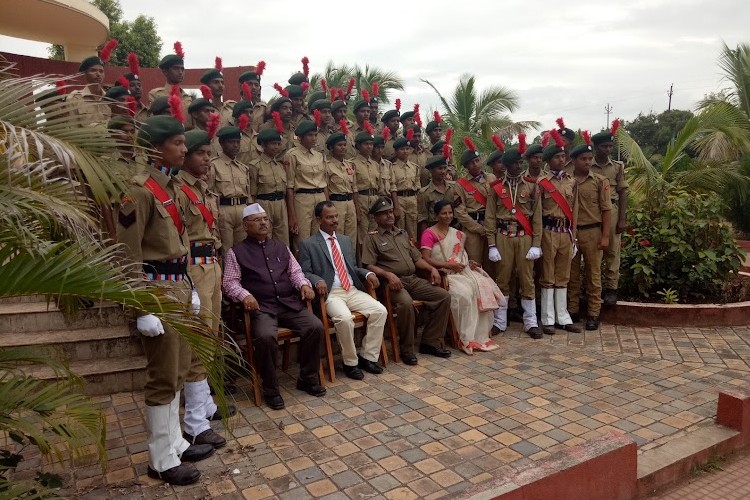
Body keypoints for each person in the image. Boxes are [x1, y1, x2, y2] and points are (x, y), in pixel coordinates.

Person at [117, 115, 214, 486]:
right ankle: (160, 458)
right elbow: (127, 254)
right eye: (177, 143)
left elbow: (178, 246)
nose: (184, 149)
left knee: (177, 370)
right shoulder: (138, 191)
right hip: (155, 291)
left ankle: (175, 441)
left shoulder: (170, 187)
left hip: (177, 284)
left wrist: (188, 288)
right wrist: (139, 307)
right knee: (162, 377)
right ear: (156, 148)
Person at [222, 203, 326, 410]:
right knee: (266, 337)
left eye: (265, 219)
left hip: (288, 303)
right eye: (257, 220)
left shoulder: (280, 246)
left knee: (315, 327)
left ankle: (307, 377)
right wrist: (245, 295)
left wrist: (304, 285)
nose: (263, 223)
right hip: (261, 307)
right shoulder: (236, 252)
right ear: (245, 226)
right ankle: (270, 388)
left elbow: (295, 272)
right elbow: (229, 283)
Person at [176, 129, 235, 449]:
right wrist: (188, 282)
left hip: (211, 265)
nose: (207, 159)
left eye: (208, 154)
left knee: (210, 337)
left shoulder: (202, 189)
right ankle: (195, 423)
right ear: (185, 157)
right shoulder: (180, 191)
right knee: (198, 341)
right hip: (193, 269)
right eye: (200, 154)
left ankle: (205, 405)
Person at [299, 202, 387, 380]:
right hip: (331, 293)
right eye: (329, 217)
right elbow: (305, 271)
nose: (334, 221)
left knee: (380, 311)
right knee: (345, 319)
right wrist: (317, 280)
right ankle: (350, 363)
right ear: (319, 220)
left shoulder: (345, 240)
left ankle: (367, 357)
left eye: (336, 216)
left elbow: (353, 267)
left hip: (352, 289)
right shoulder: (308, 244)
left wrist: (368, 273)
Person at [361, 197, 452, 365]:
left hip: (412, 279)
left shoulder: (402, 234)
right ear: (375, 218)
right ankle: (407, 349)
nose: (389, 216)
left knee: (443, 296)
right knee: (406, 304)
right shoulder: (372, 238)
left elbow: (417, 260)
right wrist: (388, 275)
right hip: (392, 284)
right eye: (383, 214)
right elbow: (368, 265)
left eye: (390, 212)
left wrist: (431, 269)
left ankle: (430, 342)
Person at [420, 200, 502, 355]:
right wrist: (448, 266)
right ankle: (463, 336)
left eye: (450, 213)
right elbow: (426, 259)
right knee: (464, 294)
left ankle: (479, 335)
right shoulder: (429, 233)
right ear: (437, 215)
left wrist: (467, 263)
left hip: (461, 273)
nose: (448, 216)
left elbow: (459, 256)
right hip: (444, 276)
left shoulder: (457, 233)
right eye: (444, 213)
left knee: (481, 286)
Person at [485, 139, 543, 339]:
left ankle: (531, 322)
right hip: (503, 237)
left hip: (524, 236)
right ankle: (500, 322)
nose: (519, 166)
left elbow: (537, 217)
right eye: (515, 163)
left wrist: (536, 243)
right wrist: (491, 245)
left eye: (520, 163)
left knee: (527, 279)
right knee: (502, 278)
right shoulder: (495, 188)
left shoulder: (532, 186)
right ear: (507, 165)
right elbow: (490, 218)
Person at [537, 130, 581, 335]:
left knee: (563, 275)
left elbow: (575, 209)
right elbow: (536, 213)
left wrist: (575, 236)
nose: (562, 160)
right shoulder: (541, 183)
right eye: (557, 157)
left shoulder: (572, 181)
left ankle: (563, 317)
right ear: (548, 160)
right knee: (548, 275)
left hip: (566, 232)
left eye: (563, 156)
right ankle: (547, 318)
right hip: (548, 231)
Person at [567, 132, 612, 330]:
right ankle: (573, 310)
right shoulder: (567, 181)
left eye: (589, 158)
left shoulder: (600, 181)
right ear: (574, 161)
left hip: (593, 232)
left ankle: (594, 313)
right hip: (571, 233)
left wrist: (605, 236)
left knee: (594, 276)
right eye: (583, 159)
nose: (587, 162)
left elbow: (607, 210)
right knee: (572, 275)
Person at [591, 120, 629, 306]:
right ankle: (593, 287)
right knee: (594, 251)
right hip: (592, 212)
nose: (608, 149)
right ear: (595, 147)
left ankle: (611, 288)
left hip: (612, 211)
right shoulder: (587, 165)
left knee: (613, 251)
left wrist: (622, 219)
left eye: (610, 146)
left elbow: (623, 192)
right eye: (604, 146)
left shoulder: (617, 166)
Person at [207, 125, 252, 256]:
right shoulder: (213, 165)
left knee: (244, 248)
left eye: (238, 142)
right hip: (224, 210)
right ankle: (229, 276)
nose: (235, 145)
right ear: (221, 143)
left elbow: (248, 194)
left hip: (242, 209)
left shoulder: (243, 168)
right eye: (231, 142)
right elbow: (209, 192)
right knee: (227, 250)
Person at [286, 119, 328, 249]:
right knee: (302, 239)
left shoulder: (319, 156)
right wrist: (292, 215)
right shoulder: (292, 155)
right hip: (302, 199)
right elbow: (289, 186)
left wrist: (328, 203)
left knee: (320, 237)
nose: (314, 138)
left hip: (320, 196)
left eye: (315, 135)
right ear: (301, 137)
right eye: (310, 135)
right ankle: (302, 269)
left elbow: (324, 182)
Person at [248, 126, 289, 246]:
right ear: (263, 145)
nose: (276, 147)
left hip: (280, 204)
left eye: (278, 143)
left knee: (283, 239)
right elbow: (252, 193)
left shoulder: (280, 166)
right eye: (272, 144)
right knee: (264, 237)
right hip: (264, 204)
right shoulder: (255, 165)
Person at [148, 42, 193, 129]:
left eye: (182, 69)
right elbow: (154, 123)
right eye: (176, 68)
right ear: (165, 71)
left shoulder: (187, 98)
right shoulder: (155, 95)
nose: (180, 72)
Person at [325, 132, 358, 246]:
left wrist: (357, 209)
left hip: (350, 203)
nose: (343, 147)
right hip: (336, 203)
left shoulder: (349, 165)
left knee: (351, 237)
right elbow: (326, 188)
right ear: (331, 148)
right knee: (336, 234)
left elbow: (354, 188)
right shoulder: (327, 165)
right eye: (339, 145)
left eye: (344, 145)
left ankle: (350, 262)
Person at [67, 51, 111, 128]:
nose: (98, 74)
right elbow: (72, 129)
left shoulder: (109, 98)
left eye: (101, 71)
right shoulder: (75, 99)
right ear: (85, 73)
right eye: (93, 70)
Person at [390, 132, 421, 240]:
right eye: (402, 149)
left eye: (407, 149)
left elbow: (418, 187)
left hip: (412, 200)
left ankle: (413, 255)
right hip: (400, 199)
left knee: (413, 230)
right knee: (400, 229)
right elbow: (393, 188)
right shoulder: (392, 167)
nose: (405, 151)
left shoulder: (414, 167)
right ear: (396, 151)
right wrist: (396, 207)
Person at [417, 155, 456, 238]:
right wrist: (426, 238)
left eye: (444, 168)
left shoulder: (454, 188)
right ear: (431, 170)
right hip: (434, 232)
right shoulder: (424, 193)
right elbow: (423, 219)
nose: (443, 171)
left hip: (453, 229)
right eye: (439, 168)